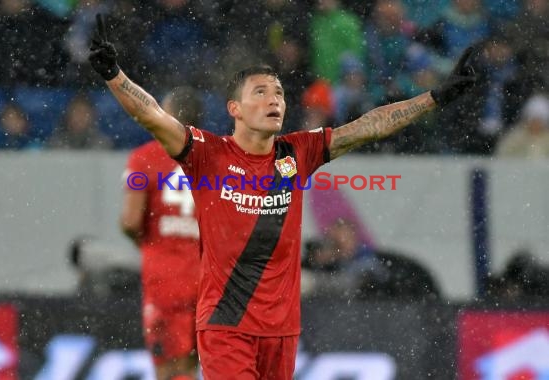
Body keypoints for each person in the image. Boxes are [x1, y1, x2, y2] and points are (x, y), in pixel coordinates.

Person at [89, 13, 477, 379]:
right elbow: (152, 115)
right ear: (235, 109)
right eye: (261, 92)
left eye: (278, 92)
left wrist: (434, 98)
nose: (274, 99)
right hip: (226, 324)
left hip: (282, 329)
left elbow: (368, 127)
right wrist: (114, 74)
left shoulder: (298, 153)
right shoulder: (208, 153)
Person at [120, 87, 203, 380]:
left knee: (166, 368)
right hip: (203, 278)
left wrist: (145, 242)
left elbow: (130, 221)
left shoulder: (144, 158)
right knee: (190, 366)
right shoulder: (214, 158)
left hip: (164, 276)